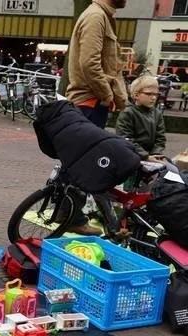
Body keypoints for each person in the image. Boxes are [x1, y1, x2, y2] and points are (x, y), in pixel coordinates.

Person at [64, 0, 128, 235]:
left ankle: (67, 212)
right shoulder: (96, 17)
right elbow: (89, 64)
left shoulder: (101, 15)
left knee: (78, 161)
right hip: (89, 102)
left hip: (91, 102)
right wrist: (107, 95)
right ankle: (71, 215)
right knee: (85, 163)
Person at [116, 75, 166, 161]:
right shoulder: (127, 113)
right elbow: (125, 139)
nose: (153, 97)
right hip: (132, 156)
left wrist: (156, 154)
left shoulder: (157, 113)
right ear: (136, 95)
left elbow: (160, 138)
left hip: (152, 156)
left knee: (172, 168)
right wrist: (145, 156)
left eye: (156, 94)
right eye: (149, 94)